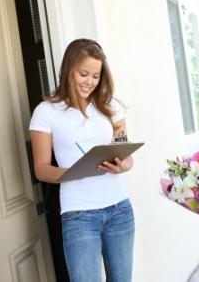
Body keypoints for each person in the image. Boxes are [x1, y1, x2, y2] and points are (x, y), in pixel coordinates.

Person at [29, 38, 134, 282]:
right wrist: (75, 172)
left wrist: (123, 165)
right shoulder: (46, 112)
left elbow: (125, 155)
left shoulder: (111, 107)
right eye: (83, 74)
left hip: (119, 209)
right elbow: (41, 169)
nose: (89, 82)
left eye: (96, 76)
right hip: (79, 215)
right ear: (69, 70)